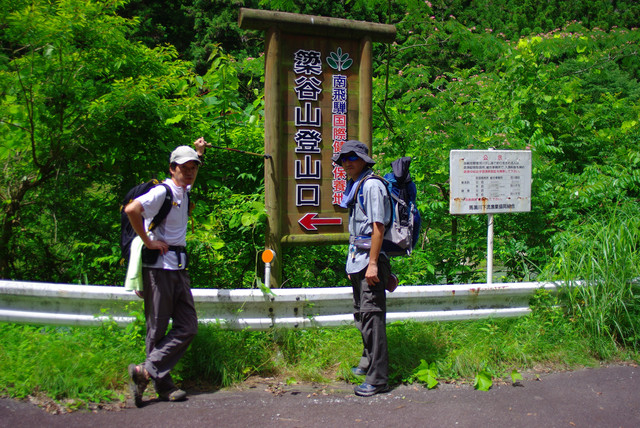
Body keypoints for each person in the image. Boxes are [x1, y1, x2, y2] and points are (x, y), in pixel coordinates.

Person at [125, 138, 209, 407]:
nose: (190, 172)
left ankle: (145, 371)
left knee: (188, 326)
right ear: (172, 168)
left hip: (179, 268)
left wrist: (199, 153)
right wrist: (148, 241)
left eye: (193, 167)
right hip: (158, 268)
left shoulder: (184, 189)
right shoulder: (162, 192)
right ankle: (162, 386)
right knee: (157, 328)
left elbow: (192, 176)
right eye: (184, 168)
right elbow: (132, 209)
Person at [332, 140, 392, 397]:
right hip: (359, 261)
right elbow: (357, 230)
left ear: (363, 160)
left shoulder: (371, 185)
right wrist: (352, 263)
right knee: (362, 315)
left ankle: (378, 379)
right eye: (344, 159)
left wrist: (373, 264)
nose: (347, 163)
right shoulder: (356, 184)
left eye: (352, 158)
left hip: (370, 262)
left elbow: (378, 227)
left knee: (372, 318)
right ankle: (367, 362)